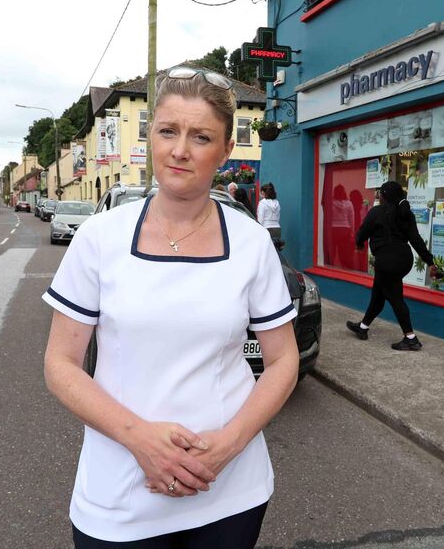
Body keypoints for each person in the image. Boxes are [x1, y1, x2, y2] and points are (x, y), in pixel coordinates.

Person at [43, 65, 299, 548]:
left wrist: (230, 444)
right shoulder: (100, 238)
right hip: (119, 489)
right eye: (167, 131)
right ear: (152, 137)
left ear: (226, 151)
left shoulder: (251, 243)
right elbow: (60, 364)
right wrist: (140, 439)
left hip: (228, 486)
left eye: (201, 136)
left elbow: (283, 360)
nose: (180, 150)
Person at [346, 181, 437, 351]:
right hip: (404, 259)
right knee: (378, 295)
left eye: (380, 193)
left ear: (385, 196)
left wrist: (359, 244)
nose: (378, 196)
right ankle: (363, 327)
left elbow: (362, 232)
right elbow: (416, 239)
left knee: (395, 298)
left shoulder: (377, 212)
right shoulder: (406, 214)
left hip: (387, 261)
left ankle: (410, 338)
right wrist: (429, 261)